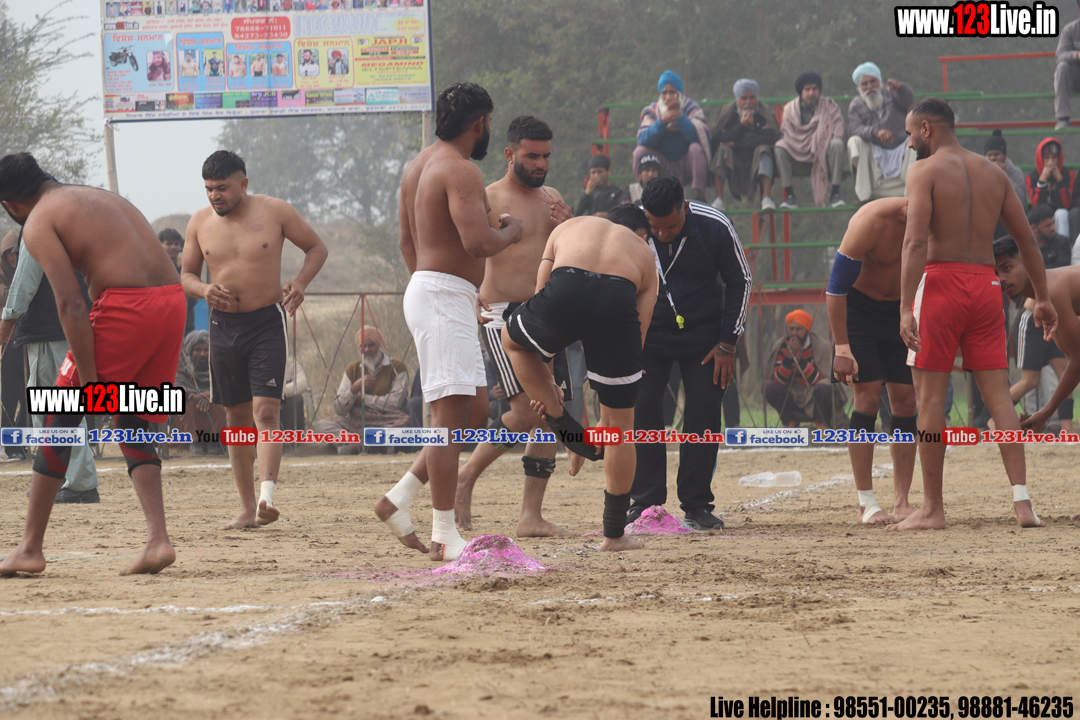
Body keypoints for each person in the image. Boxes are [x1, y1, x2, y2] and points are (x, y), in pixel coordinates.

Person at [0, 152, 185, 576]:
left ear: (10, 205)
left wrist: (87, 381)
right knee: (130, 415)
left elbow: (70, 302)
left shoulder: (38, 221)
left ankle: (30, 547)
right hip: (171, 302)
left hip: (127, 305)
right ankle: (158, 540)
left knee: (60, 414)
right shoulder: (94, 196)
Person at [375, 82, 522, 561]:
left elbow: (407, 242)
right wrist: (511, 231)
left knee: (474, 412)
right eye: (489, 123)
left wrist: (451, 287)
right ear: (479, 123)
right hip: (440, 294)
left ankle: (398, 498)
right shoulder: (461, 169)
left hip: (440, 291)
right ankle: (443, 534)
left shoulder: (416, 166)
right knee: (446, 418)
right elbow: (478, 242)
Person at [894, 97, 1056, 532]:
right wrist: (1042, 297)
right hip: (986, 286)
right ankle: (1023, 503)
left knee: (930, 399)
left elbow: (914, 243)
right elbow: (1028, 242)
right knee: (1000, 397)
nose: (909, 144)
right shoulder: (994, 173)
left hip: (942, 283)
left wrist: (906, 307)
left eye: (910, 134)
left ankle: (932, 508)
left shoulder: (924, 171)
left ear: (926, 128)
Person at [182, 150, 328, 530]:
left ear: (243, 183)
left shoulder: (275, 211)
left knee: (265, 412)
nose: (215, 195)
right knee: (235, 416)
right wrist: (204, 289)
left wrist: (301, 282)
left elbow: (317, 248)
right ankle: (247, 508)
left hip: (266, 322)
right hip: (223, 327)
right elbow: (186, 275)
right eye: (209, 189)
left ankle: (267, 498)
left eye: (222, 188)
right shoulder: (199, 222)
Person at [503, 211, 657, 551]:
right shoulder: (644, 253)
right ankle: (614, 535)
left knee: (512, 341)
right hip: (619, 298)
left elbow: (540, 296)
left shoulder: (570, 227)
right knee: (620, 429)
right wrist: (607, 416)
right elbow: (639, 337)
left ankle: (565, 428)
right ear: (638, 233)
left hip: (566, 285)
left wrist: (547, 383)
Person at [453, 115, 574, 536]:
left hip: (547, 314)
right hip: (501, 314)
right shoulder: (487, 196)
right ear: (509, 154)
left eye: (546, 156)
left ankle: (530, 517)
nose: (541, 164)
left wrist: (570, 223)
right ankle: (465, 476)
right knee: (524, 412)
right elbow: (462, 247)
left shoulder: (554, 200)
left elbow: (571, 255)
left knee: (552, 413)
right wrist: (469, 291)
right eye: (532, 156)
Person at [626, 176, 751, 529]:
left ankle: (697, 504)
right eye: (655, 228)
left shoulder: (715, 225)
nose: (662, 234)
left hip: (705, 340)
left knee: (704, 412)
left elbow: (741, 281)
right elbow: (615, 283)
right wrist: (629, 346)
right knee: (642, 409)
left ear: (684, 207)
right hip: (649, 336)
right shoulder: (630, 226)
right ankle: (645, 502)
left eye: (671, 226)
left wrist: (727, 344)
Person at [826, 198, 917, 524]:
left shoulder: (937, 225)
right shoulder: (870, 220)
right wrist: (842, 347)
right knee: (867, 397)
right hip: (859, 310)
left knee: (906, 401)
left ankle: (902, 501)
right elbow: (836, 288)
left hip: (902, 312)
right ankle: (866, 502)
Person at [0, 225, 99, 501]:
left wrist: (5, 323)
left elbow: (24, 282)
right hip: (68, 327)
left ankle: (77, 482)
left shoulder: (38, 225)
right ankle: (61, 480)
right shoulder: (71, 223)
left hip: (50, 332)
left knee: (56, 410)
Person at [997, 239, 1080, 501]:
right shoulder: (1045, 295)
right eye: (996, 273)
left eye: (1007, 268)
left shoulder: (1053, 289)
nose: (1001, 278)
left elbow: (1077, 360)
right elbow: (1073, 358)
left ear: (1028, 261)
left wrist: (1046, 411)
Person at [312, 326, 410, 454]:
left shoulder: (397, 367)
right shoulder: (353, 369)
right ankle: (370, 444)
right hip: (355, 421)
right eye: (363, 346)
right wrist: (354, 389)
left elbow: (394, 403)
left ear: (380, 345)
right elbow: (339, 408)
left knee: (406, 424)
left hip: (388, 420)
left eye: (371, 345)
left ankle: (357, 446)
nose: (367, 350)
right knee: (321, 426)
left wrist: (363, 399)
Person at [634, 70, 711, 202]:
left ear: (679, 94)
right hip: (661, 163)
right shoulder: (653, 111)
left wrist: (679, 115)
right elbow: (644, 140)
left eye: (672, 92)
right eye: (664, 93)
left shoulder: (691, 107)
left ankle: (700, 195)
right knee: (639, 152)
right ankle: (643, 193)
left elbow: (698, 137)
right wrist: (662, 122)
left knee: (696, 148)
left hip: (685, 162)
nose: (668, 97)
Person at [774, 71, 847, 209]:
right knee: (780, 146)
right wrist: (808, 144)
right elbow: (787, 134)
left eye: (814, 89)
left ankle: (835, 194)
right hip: (798, 155)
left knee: (837, 144)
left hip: (824, 156)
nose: (811, 93)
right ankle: (790, 196)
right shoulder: (790, 109)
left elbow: (839, 130)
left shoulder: (830, 106)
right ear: (801, 92)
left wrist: (820, 144)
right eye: (807, 89)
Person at [846, 62, 915, 204]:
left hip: (901, 147)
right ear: (859, 87)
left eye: (873, 81)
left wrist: (900, 88)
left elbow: (908, 99)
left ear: (880, 81)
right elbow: (853, 128)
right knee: (854, 141)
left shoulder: (893, 93)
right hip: (875, 152)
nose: (869, 87)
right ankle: (864, 197)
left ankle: (912, 195)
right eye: (864, 84)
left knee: (916, 140)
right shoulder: (856, 104)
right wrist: (875, 132)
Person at [708, 78, 778, 211]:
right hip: (733, 158)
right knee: (722, 150)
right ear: (737, 99)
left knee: (764, 150)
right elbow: (718, 138)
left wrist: (736, 144)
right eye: (744, 98)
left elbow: (769, 138)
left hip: (756, 157)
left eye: (752, 98)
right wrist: (741, 126)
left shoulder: (765, 112)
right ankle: (719, 199)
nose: (748, 102)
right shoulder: (728, 112)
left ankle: (766, 198)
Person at [765, 310, 840, 431]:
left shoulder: (820, 346)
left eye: (799, 329)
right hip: (792, 396)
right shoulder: (782, 346)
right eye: (791, 329)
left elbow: (821, 380)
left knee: (826, 387)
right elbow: (779, 382)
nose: (794, 333)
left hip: (814, 397)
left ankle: (820, 423)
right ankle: (790, 421)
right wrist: (788, 359)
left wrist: (800, 360)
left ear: (807, 329)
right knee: (768, 387)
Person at [172, 329, 226, 455]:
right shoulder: (181, 371)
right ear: (190, 350)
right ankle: (194, 441)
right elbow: (175, 389)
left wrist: (211, 395)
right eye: (198, 349)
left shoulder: (219, 370)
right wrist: (194, 396)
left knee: (221, 402)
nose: (202, 354)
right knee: (183, 402)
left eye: (206, 350)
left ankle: (213, 441)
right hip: (187, 426)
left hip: (213, 418)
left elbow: (227, 388)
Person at [1025, 137, 1080, 241]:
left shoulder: (1068, 174)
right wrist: (1043, 179)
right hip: (1040, 215)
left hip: (1060, 213)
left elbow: (1066, 204)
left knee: (1061, 213)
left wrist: (1059, 180)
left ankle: (1062, 246)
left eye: (1054, 157)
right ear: (1041, 158)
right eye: (1047, 157)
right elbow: (1036, 205)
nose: (1050, 162)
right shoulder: (1031, 177)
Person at [158, 228, 197, 334]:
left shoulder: (186, 268)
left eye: (176, 244)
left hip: (185, 324)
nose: (173, 247)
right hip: (161, 324)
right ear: (159, 245)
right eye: (169, 244)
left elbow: (193, 297)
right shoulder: (154, 268)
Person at [984, 130, 1028, 211]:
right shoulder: (980, 173)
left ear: (1004, 156)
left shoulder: (1015, 173)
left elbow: (1021, 203)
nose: (992, 158)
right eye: (989, 155)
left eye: (996, 154)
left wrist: (1006, 177)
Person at [1054, 1, 1080, 130]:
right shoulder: (1070, 29)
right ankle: (1063, 118)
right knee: (1062, 67)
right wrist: (1077, 55)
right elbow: (1060, 55)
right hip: (1075, 79)